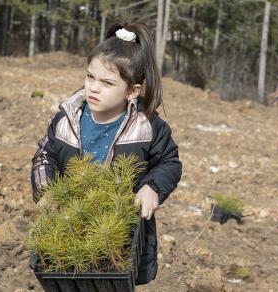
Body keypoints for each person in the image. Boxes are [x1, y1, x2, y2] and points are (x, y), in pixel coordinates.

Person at [30, 16, 182, 285]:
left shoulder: (147, 127)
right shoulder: (67, 119)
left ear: (132, 91)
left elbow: (168, 161)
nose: (94, 87)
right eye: (90, 77)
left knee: (112, 282)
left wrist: (152, 188)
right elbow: (45, 155)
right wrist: (46, 190)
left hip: (119, 231)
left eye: (108, 83)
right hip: (70, 222)